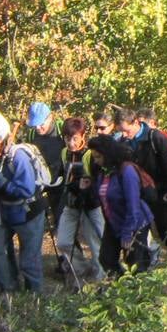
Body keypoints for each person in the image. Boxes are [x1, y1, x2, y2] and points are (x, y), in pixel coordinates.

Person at [0, 124, 45, 293]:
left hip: (28, 212)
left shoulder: (18, 157)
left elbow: (25, 190)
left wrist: (2, 183)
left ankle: (36, 297)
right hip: (4, 212)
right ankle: (9, 289)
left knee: (29, 260)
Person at [115, 107, 167, 258]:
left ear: (136, 122)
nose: (124, 135)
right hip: (139, 197)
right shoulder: (123, 142)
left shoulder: (155, 138)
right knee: (140, 235)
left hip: (160, 195)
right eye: (121, 131)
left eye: (126, 130)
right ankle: (141, 268)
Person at [88, 136, 154, 275]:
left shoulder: (127, 171)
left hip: (135, 224)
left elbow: (133, 205)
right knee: (106, 259)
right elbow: (102, 196)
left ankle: (137, 292)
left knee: (135, 265)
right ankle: (121, 286)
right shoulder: (103, 172)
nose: (96, 161)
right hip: (114, 223)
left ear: (108, 154)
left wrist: (127, 232)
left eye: (98, 157)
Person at [54, 117, 104, 284]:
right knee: (63, 242)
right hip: (71, 203)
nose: (71, 143)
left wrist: (85, 187)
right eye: (68, 138)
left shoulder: (90, 155)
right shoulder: (63, 153)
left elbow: (98, 182)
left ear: (83, 136)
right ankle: (81, 270)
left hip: (91, 205)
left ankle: (101, 279)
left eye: (75, 138)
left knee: (95, 243)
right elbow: (63, 176)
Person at [22, 103, 66, 224]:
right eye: (35, 125)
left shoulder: (62, 129)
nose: (38, 128)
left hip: (62, 181)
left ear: (50, 117)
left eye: (41, 124)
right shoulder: (31, 134)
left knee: (61, 219)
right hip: (42, 181)